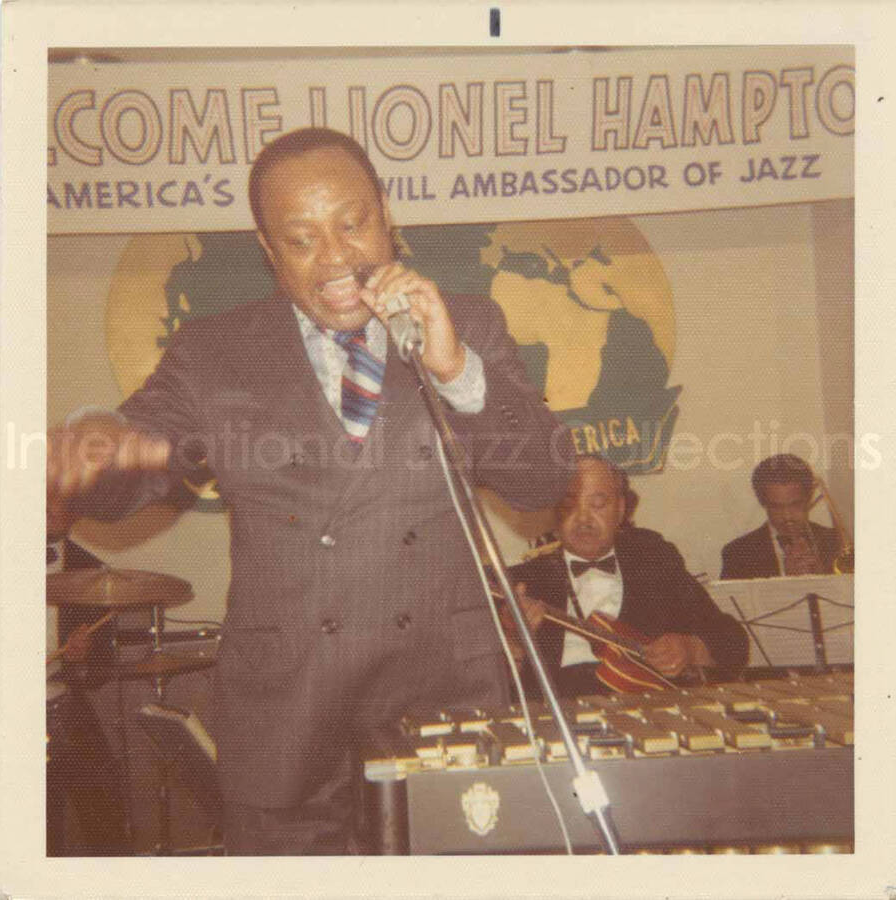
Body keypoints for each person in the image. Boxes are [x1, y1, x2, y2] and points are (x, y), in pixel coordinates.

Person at [46, 127, 574, 854]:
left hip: (440, 685)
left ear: (385, 213)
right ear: (268, 249)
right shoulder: (213, 351)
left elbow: (543, 480)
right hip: (286, 706)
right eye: (300, 239)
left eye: (352, 224)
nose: (335, 257)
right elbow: (132, 465)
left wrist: (457, 369)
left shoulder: (469, 322)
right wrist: (95, 446)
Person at [505, 455, 748, 698]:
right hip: (558, 715)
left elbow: (732, 640)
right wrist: (514, 642)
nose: (583, 519)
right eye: (569, 505)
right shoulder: (524, 582)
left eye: (598, 504)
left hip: (649, 710)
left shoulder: (654, 561)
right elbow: (487, 684)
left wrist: (691, 649)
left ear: (620, 509)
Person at [46, 497, 130, 855]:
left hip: (63, 701)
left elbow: (101, 669)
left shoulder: (93, 571)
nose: (47, 504)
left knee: (106, 815)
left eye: (58, 498)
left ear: (76, 510)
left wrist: (81, 660)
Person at [720, 454, 841, 580]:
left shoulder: (835, 542)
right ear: (763, 503)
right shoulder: (737, 554)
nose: (787, 516)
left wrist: (824, 578)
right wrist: (785, 579)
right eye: (776, 507)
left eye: (795, 504)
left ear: (808, 499)